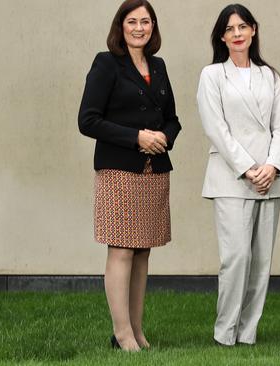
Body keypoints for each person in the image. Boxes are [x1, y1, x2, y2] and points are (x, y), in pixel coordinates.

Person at [78, 0, 181, 352]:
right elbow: (88, 120)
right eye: (132, 21)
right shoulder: (106, 64)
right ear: (120, 26)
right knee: (121, 249)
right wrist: (137, 137)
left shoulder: (159, 65)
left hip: (154, 169)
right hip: (119, 169)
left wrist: (165, 137)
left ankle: (136, 331)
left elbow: (172, 118)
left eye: (146, 21)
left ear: (154, 27)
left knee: (142, 252)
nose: (140, 27)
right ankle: (121, 333)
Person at [196, 4, 280, 346]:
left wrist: (271, 166)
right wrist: (249, 168)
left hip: (269, 178)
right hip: (231, 178)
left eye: (243, 27)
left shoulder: (271, 76)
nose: (237, 34)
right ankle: (225, 333)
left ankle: (248, 333)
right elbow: (215, 128)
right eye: (230, 29)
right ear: (222, 36)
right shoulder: (212, 75)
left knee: (261, 261)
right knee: (236, 258)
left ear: (253, 30)